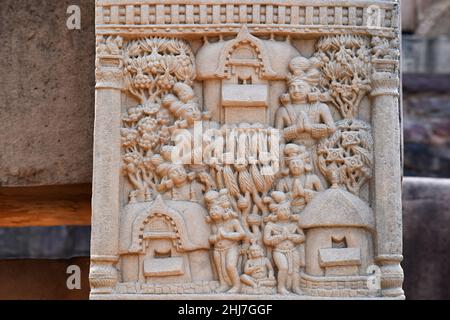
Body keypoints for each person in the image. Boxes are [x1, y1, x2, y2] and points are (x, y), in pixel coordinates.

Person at [275, 56, 335, 147]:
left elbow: (331, 128)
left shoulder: (321, 107)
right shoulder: (283, 111)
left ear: (311, 88)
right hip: (293, 153)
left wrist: (310, 128)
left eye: (301, 87)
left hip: (318, 149)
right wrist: (296, 129)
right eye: (292, 87)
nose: (296, 90)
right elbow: (277, 136)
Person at [263, 191, 305, 295]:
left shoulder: (294, 224)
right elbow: (266, 240)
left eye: (287, 209)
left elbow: (302, 237)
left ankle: (295, 287)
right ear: (276, 213)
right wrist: (281, 237)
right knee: (283, 267)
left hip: (293, 249)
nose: (286, 212)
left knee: (296, 269)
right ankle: (281, 287)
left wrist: (290, 236)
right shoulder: (270, 225)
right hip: (279, 250)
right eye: (283, 210)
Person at [277, 144, 323, 213]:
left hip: (311, 211)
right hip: (289, 212)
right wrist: (292, 194)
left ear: (304, 164)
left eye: (298, 163)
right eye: (292, 164)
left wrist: (305, 193)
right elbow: (277, 199)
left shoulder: (313, 178)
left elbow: (322, 195)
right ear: (288, 166)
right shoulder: (283, 182)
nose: (295, 166)